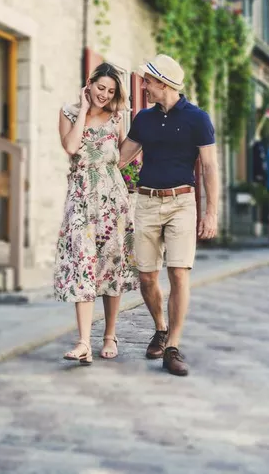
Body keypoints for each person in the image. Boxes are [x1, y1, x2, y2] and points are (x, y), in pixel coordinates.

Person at [118, 54, 218, 377]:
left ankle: (172, 346)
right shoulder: (144, 119)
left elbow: (210, 167)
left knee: (178, 273)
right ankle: (160, 328)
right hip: (146, 203)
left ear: (163, 84)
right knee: (147, 276)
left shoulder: (198, 119)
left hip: (181, 203)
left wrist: (211, 212)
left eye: (147, 81)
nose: (143, 86)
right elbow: (120, 159)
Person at [55, 62, 138, 365]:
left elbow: (122, 157)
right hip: (80, 199)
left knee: (110, 266)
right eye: (100, 87)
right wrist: (83, 111)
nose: (104, 94)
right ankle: (83, 342)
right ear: (89, 84)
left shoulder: (116, 118)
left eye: (111, 91)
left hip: (112, 201)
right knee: (82, 265)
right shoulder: (67, 113)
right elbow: (72, 146)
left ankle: (109, 335)